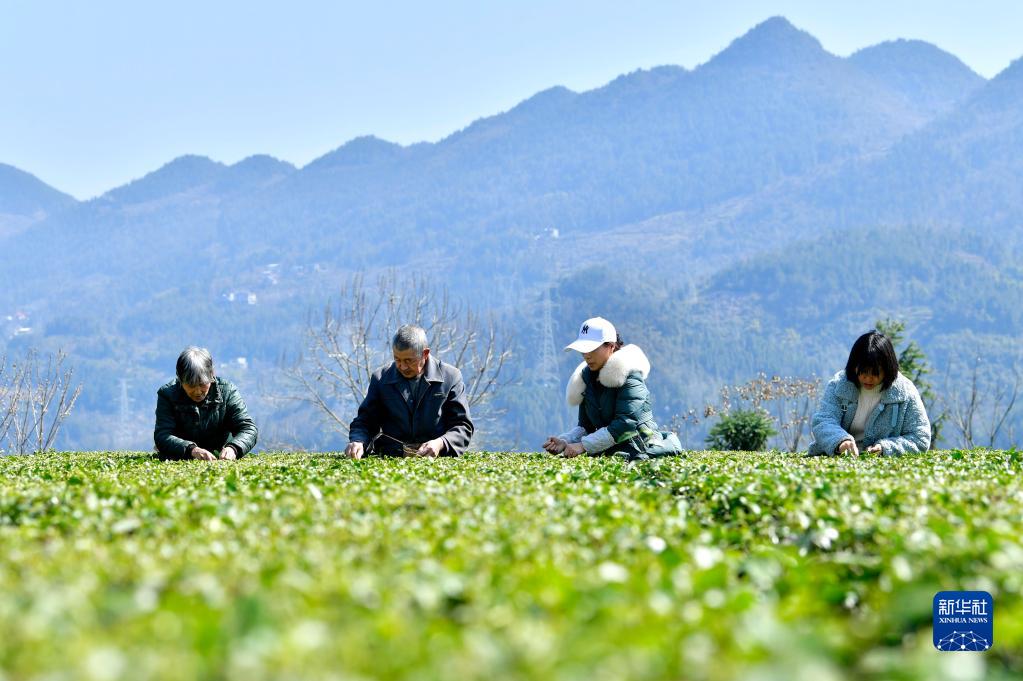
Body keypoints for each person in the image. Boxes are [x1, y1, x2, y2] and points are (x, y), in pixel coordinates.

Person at [543, 317, 682, 461]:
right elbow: (586, 426)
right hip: (614, 454)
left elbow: (626, 424)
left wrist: (583, 446)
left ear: (610, 346)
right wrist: (566, 441)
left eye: (592, 349)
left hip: (642, 451)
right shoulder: (588, 379)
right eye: (583, 350)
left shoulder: (630, 375)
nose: (586, 355)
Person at [345, 324, 474, 458]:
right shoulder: (381, 379)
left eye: (409, 360)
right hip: (391, 457)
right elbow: (365, 420)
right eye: (397, 359)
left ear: (425, 354)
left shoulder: (451, 377)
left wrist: (441, 443)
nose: (402, 366)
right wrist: (358, 441)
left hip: (437, 458)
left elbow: (463, 426)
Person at [808, 330, 931, 456]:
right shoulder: (839, 385)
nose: (868, 378)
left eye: (875, 373)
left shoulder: (905, 392)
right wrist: (840, 441)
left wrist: (885, 448)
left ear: (888, 368)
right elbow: (823, 421)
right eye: (863, 372)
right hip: (838, 456)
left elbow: (920, 438)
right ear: (854, 366)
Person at [154, 346, 258, 460]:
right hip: (181, 457)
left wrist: (233, 448)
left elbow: (248, 428)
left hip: (221, 459)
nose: (198, 392)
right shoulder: (167, 395)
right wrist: (192, 450)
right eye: (191, 385)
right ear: (180, 379)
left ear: (212, 374)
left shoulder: (228, 392)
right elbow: (162, 435)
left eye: (203, 383)